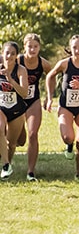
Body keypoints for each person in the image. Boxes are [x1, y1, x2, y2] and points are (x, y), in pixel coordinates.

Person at [46, 35, 79, 179]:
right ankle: (69, 145)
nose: (77, 50)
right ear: (70, 48)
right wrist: (49, 98)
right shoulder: (65, 64)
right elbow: (50, 76)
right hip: (66, 106)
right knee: (68, 137)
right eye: (74, 47)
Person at [17, 34, 52, 181]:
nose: (32, 49)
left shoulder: (43, 63)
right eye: (29, 46)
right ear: (24, 47)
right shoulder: (17, 60)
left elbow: (51, 75)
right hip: (15, 101)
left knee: (33, 134)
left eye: (35, 46)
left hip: (33, 100)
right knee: (19, 140)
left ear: (39, 47)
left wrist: (49, 97)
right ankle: (19, 130)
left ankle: (30, 171)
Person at [0, 42, 28, 180]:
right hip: (1, 107)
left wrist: (10, 80)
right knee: (0, 128)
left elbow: (24, 93)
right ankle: (5, 165)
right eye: (7, 52)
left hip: (17, 110)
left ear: (17, 55)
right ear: (2, 53)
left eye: (12, 53)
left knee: (11, 144)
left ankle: (8, 165)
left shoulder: (20, 70)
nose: (9, 56)